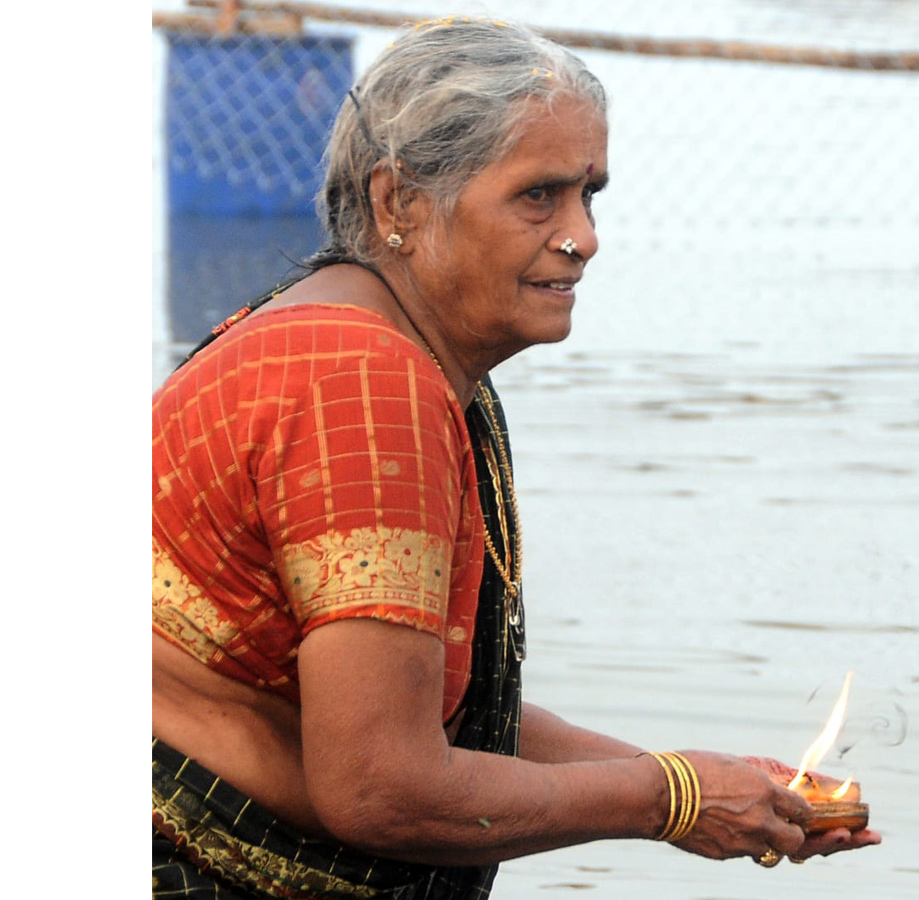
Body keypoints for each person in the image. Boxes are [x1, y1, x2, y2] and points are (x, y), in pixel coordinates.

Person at [152, 16, 880, 899]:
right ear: (398, 206)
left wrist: (715, 787)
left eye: (590, 195)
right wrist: (668, 797)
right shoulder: (364, 382)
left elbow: (434, 717)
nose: (584, 236)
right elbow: (382, 785)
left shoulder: (384, 350)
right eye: (539, 196)